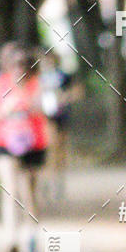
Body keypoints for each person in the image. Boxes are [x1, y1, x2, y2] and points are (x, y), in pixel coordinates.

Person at [0, 45, 49, 252]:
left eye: (23, 64)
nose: (18, 68)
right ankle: (11, 239)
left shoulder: (36, 84)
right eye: (15, 64)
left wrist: (25, 102)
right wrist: (6, 110)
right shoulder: (0, 83)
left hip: (33, 144)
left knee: (29, 193)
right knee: (10, 190)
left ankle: (31, 233)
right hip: (5, 143)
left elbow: (42, 108)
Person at [40, 51, 82, 203]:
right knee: (48, 148)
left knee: (59, 150)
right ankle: (46, 181)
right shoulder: (37, 77)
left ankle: (58, 181)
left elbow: (77, 91)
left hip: (60, 116)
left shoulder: (63, 75)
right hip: (44, 117)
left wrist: (65, 97)